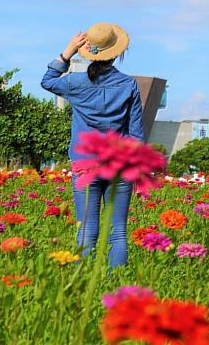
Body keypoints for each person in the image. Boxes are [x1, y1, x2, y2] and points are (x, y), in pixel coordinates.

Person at [41, 23, 144, 267]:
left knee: (86, 229)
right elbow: (136, 134)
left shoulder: (75, 82)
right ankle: (116, 284)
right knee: (117, 232)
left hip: (85, 164)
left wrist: (68, 52)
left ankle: (83, 281)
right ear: (118, 53)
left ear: (88, 51)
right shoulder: (129, 85)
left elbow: (47, 80)